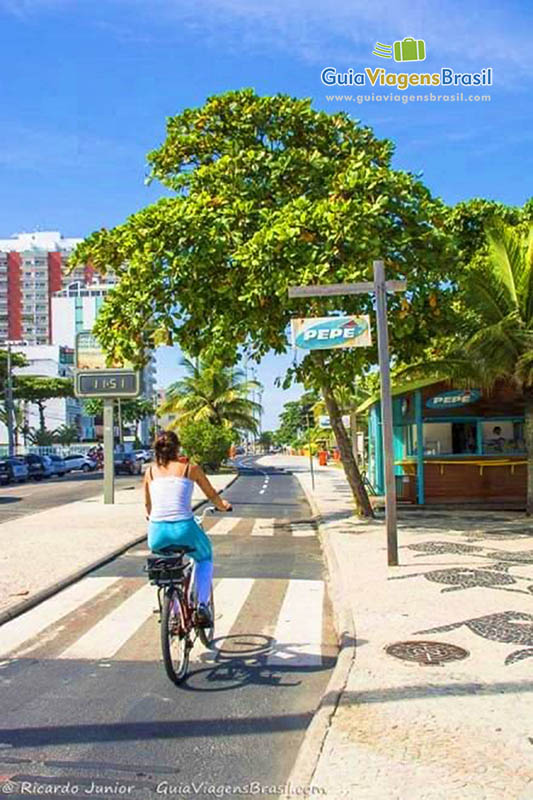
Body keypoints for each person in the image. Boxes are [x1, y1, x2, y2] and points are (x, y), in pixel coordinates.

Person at [144, 430, 232, 627]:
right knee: (204, 555)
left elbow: (148, 505)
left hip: (157, 532)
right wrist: (222, 505)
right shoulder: (190, 469)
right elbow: (211, 495)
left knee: (166, 566)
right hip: (184, 527)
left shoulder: (149, 472)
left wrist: (153, 517)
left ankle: (173, 614)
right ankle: (202, 605)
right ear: (178, 448)